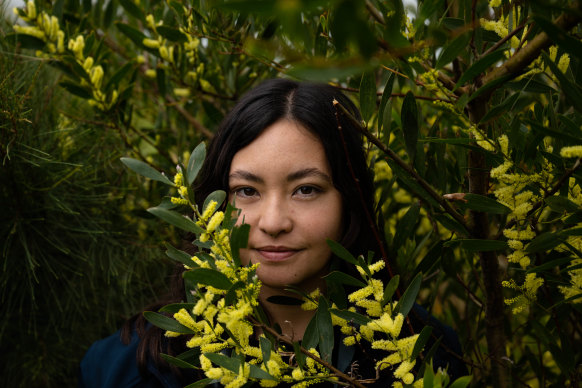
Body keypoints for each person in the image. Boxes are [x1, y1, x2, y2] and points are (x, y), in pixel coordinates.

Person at [79, 79, 467, 387]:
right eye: (247, 191)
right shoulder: (124, 370)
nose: (274, 221)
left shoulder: (428, 355)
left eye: (306, 190)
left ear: (350, 201)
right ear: (214, 206)